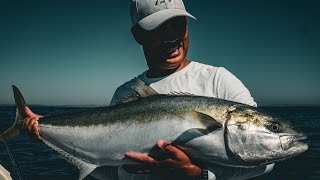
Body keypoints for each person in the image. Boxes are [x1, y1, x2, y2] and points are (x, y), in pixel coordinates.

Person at [22, 0, 274, 179]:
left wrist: (198, 175)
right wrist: (45, 132)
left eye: (178, 24)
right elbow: (109, 169)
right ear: (138, 34)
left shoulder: (219, 80)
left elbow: (265, 156)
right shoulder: (125, 93)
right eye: (158, 27)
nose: (171, 36)